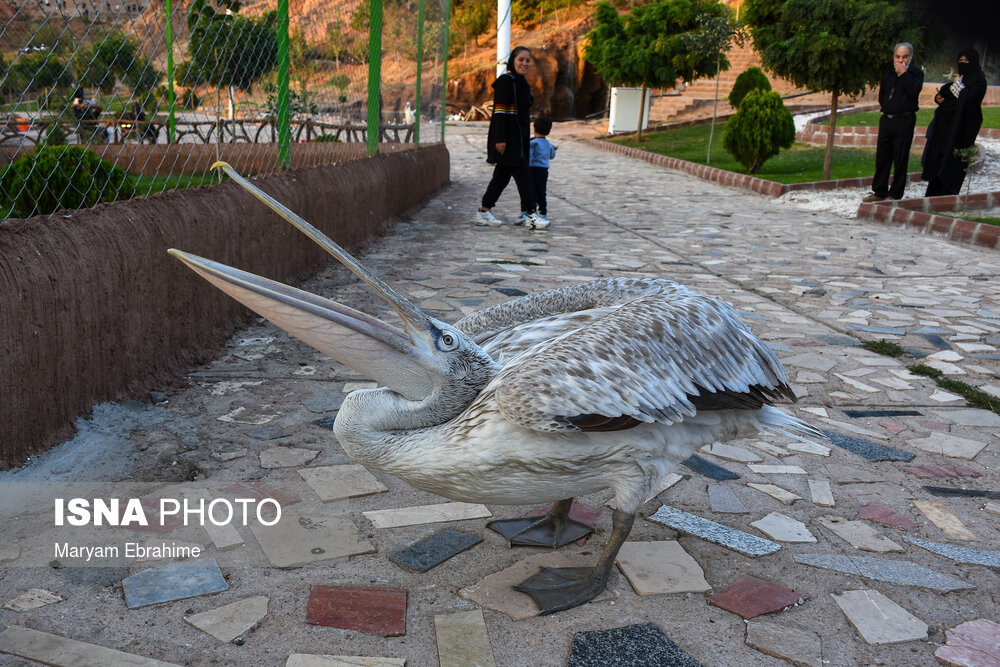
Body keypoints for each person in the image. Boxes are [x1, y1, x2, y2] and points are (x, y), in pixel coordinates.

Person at [474, 46, 548, 230]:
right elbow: (499, 112)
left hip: (519, 138)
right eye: (521, 59)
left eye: (527, 60)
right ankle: (530, 214)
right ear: (513, 60)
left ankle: (483, 212)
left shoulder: (519, 81)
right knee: (524, 176)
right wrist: (500, 139)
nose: (524, 63)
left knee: (501, 177)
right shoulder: (506, 81)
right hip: (508, 140)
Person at [922, 48, 989, 196]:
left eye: (966, 61)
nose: (962, 63)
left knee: (953, 162)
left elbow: (970, 100)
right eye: (960, 61)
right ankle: (932, 195)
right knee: (939, 160)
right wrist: (939, 97)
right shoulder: (961, 78)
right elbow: (949, 94)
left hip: (961, 130)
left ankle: (948, 196)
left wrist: (958, 86)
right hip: (945, 129)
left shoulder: (978, 80)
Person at [863, 43, 924, 202]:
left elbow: (914, 91)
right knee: (882, 157)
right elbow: (883, 94)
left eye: (904, 57)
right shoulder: (889, 73)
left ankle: (895, 193)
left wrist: (903, 74)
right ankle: (879, 191)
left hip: (904, 119)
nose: (900, 60)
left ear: (910, 57)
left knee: (900, 158)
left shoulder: (916, 74)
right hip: (887, 119)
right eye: (898, 56)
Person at [528, 115, 556, 225]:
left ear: (534, 128)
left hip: (533, 169)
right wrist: (553, 149)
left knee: (532, 191)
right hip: (544, 171)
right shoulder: (548, 143)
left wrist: (527, 168)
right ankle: (543, 212)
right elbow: (552, 156)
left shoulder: (532, 143)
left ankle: (532, 211)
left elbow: (530, 156)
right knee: (542, 191)